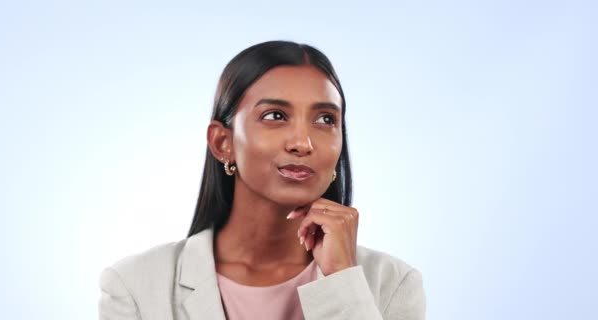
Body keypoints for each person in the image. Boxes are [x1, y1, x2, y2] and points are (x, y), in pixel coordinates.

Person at [98, 40, 426, 320]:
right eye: (275, 116)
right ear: (222, 143)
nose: (303, 142)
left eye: (325, 119)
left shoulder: (392, 283)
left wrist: (342, 282)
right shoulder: (135, 286)